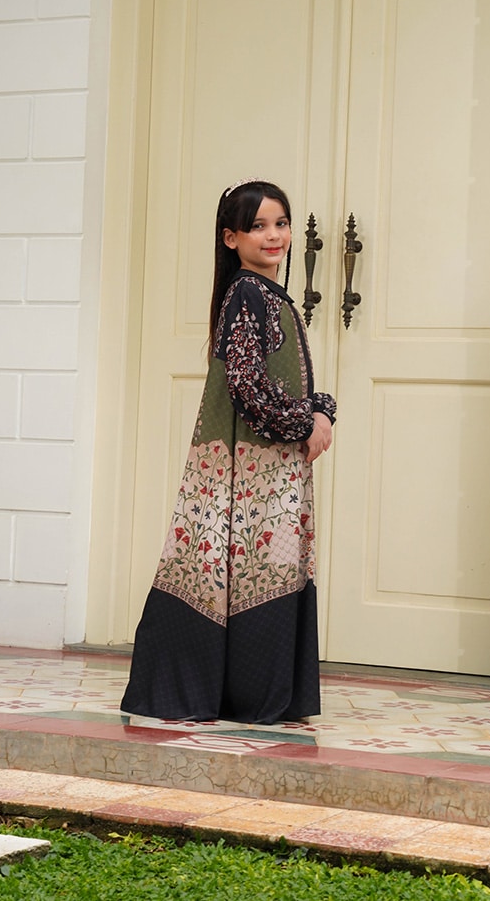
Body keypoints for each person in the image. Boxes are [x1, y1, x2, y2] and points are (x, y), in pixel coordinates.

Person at [121, 179, 336, 724]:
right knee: (249, 568)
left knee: (257, 568)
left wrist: (321, 411)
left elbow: (268, 381)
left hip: (268, 464)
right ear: (230, 237)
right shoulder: (248, 293)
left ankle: (252, 694)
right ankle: (248, 695)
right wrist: (305, 423)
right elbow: (247, 387)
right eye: (258, 226)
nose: (274, 235)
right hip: (250, 468)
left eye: (281, 223)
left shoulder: (267, 295)